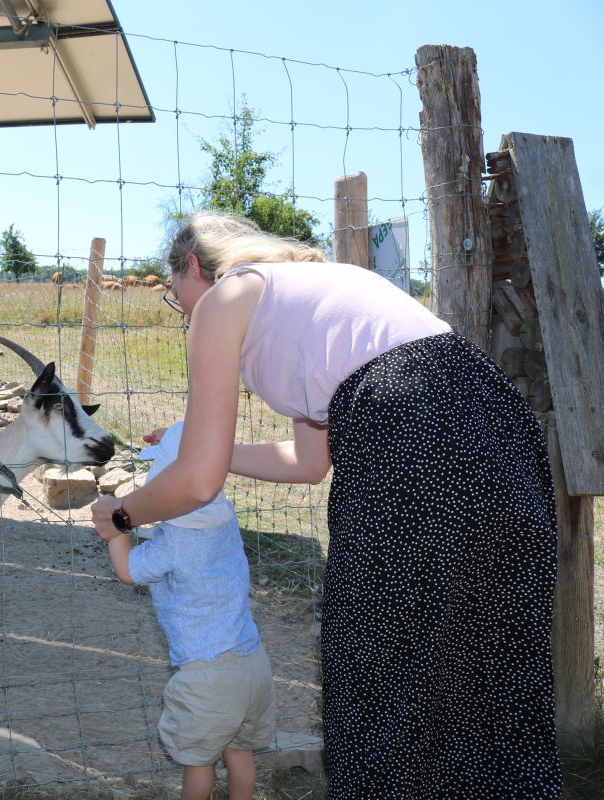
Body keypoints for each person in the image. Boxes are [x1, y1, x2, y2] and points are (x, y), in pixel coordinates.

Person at [91, 210, 560, 799]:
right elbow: (308, 462)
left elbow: (197, 484)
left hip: (405, 428)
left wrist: (123, 514)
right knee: (490, 672)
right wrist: (209, 450)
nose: (180, 307)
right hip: (491, 419)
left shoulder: (224, 299)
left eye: (173, 292)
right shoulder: (309, 299)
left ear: (193, 266)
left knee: (379, 676)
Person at [98, 420, 275, 800]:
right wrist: (180, 434)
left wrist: (116, 533)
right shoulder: (225, 520)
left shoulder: (174, 541)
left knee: (199, 763)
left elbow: (128, 572)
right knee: (239, 754)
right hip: (252, 662)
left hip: (207, 673)